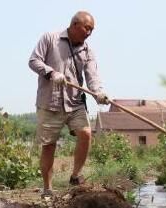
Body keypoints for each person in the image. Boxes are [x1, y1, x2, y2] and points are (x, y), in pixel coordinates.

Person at [28, 11, 109, 198]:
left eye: (92, 30)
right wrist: (51, 73)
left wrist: (99, 93)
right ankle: (47, 189)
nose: (89, 33)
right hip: (50, 103)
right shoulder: (50, 38)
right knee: (49, 145)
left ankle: (75, 175)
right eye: (87, 28)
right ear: (74, 25)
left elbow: (92, 77)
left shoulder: (87, 51)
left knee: (86, 133)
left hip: (74, 102)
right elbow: (33, 61)